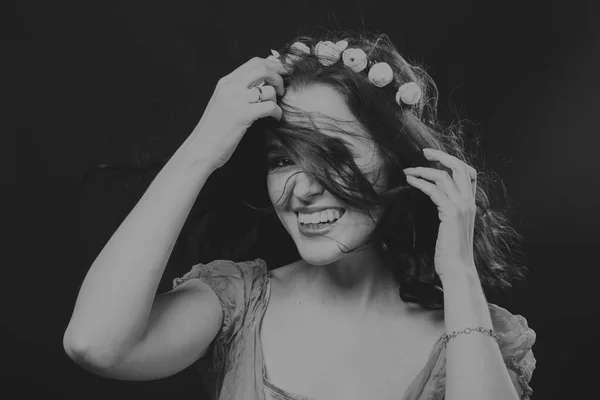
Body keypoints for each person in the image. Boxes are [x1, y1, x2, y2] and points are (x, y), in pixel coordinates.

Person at [63, 28, 536, 400]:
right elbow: (95, 344)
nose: (303, 189)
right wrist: (202, 149)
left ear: (397, 161)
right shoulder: (238, 302)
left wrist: (458, 275)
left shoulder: (477, 333)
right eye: (282, 159)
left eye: (333, 155)